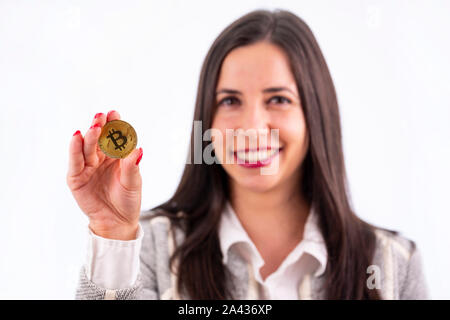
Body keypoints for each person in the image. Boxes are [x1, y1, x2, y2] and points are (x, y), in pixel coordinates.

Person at [67, 9, 429, 300]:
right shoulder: (148, 247)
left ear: (315, 115)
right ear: (207, 120)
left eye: (278, 99)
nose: (253, 127)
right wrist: (113, 235)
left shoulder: (392, 264)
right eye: (230, 101)